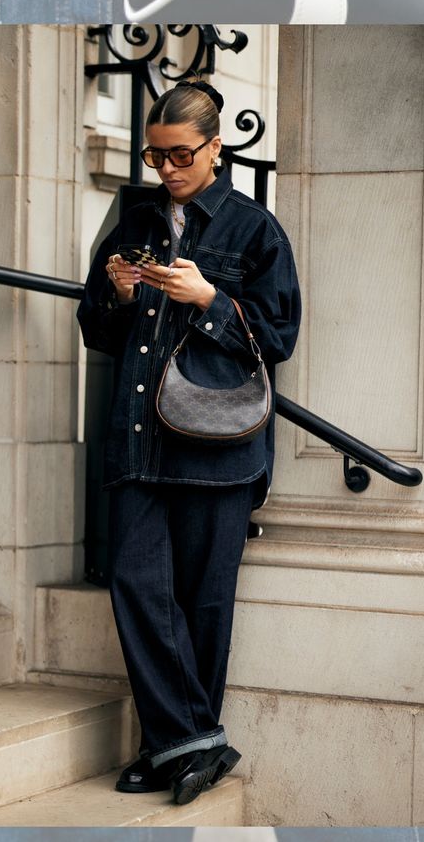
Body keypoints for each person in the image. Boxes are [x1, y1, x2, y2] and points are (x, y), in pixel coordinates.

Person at [76, 80, 301, 803]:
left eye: (180, 155)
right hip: (140, 441)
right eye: (155, 154)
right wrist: (114, 293)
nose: (166, 169)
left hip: (218, 448)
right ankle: (193, 745)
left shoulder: (255, 230)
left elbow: (279, 337)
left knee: (204, 604)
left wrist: (208, 301)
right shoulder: (134, 220)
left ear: (215, 149)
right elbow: (97, 330)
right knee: (136, 585)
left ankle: (168, 747)